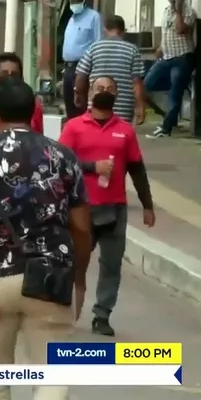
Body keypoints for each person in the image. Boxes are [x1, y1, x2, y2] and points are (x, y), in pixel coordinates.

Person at [0, 80, 91, 400]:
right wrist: (79, 277)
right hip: (51, 277)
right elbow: (82, 227)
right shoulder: (63, 157)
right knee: (52, 375)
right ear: (34, 114)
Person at [59, 75, 156, 337]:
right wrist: (93, 167)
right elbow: (60, 166)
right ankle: (62, 311)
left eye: (110, 89)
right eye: (99, 88)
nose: (104, 92)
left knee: (111, 265)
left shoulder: (125, 130)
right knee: (74, 262)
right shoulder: (74, 127)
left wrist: (148, 205)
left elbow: (137, 168)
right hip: (80, 208)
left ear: (116, 94)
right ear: (90, 92)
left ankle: (102, 314)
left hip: (114, 208)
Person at [145, 0, 197, 138]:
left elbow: (181, 29)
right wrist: (161, 47)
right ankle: (167, 113)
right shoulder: (166, 10)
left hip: (182, 58)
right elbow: (166, 31)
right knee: (147, 83)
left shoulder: (188, 11)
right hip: (166, 57)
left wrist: (178, 10)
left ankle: (166, 128)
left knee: (175, 94)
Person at [74, 14, 147, 124]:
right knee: (119, 137)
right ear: (123, 31)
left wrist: (78, 94)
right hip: (123, 109)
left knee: (95, 135)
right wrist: (140, 107)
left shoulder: (94, 48)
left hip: (97, 106)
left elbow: (81, 76)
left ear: (105, 30)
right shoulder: (133, 50)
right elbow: (137, 82)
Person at [62, 0, 102, 119]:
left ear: (84, 2)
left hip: (83, 67)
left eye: (76, 2)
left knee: (81, 103)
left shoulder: (93, 17)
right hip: (68, 67)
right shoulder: (72, 19)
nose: (74, 6)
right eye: (72, 2)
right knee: (69, 102)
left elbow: (98, 43)